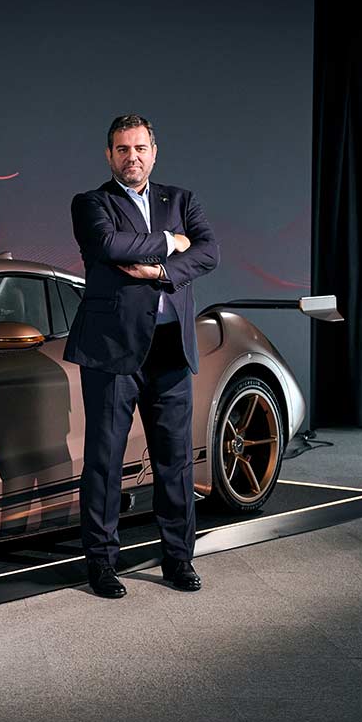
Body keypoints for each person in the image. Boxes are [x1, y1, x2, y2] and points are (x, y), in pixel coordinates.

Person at [63, 114, 220, 597]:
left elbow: (209, 252)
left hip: (171, 349)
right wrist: (172, 243)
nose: (132, 157)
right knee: (105, 462)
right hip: (113, 351)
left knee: (175, 461)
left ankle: (179, 560)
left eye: (139, 148)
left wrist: (158, 272)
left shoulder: (182, 200)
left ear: (154, 152)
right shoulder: (92, 203)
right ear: (109, 155)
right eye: (122, 149)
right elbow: (109, 244)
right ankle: (102, 564)